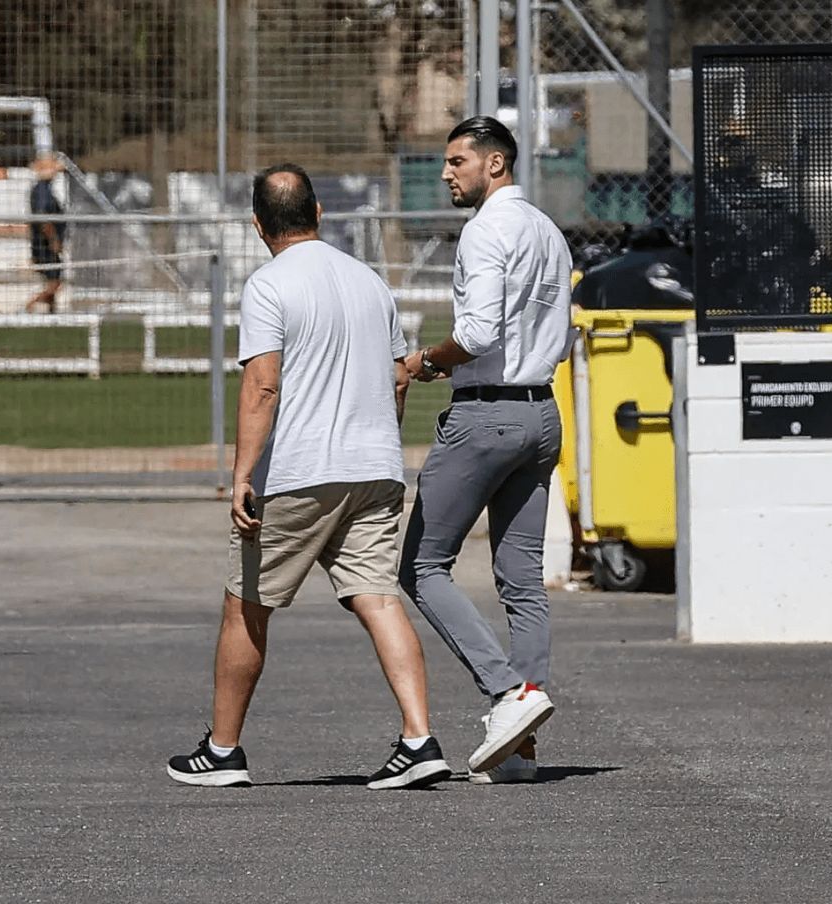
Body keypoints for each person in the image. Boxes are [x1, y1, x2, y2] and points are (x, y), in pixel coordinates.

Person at [166, 164, 450, 790]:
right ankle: (419, 736)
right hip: (376, 469)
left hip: (299, 473)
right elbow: (398, 376)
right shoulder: (371, 282)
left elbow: (263, 383)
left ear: (257, 225)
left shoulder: (269, 285)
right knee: (378, 597)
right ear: (320, 214)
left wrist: (242, 472)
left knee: (246, 605)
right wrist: (382, 439)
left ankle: (222, 750)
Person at [399, 116, 573, 784]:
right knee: (521, 579)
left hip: (487, 415)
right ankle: (520, 753)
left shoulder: (485, 230)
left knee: (420, 564)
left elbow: (474, 332)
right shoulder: (547, 231)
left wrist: (426, 361)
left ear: (494, 164)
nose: (446, 173)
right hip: (542, 412)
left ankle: (508, 695)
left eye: (456, 162)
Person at [24, 155, 66, 314]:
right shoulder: (42, 190)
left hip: (43, 241)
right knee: (55, 281)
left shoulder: (44, 189)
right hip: (45, 243)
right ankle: (30, 305)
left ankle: (52, 311)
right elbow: (43, 218)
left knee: (53, 278)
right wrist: (54, 239)